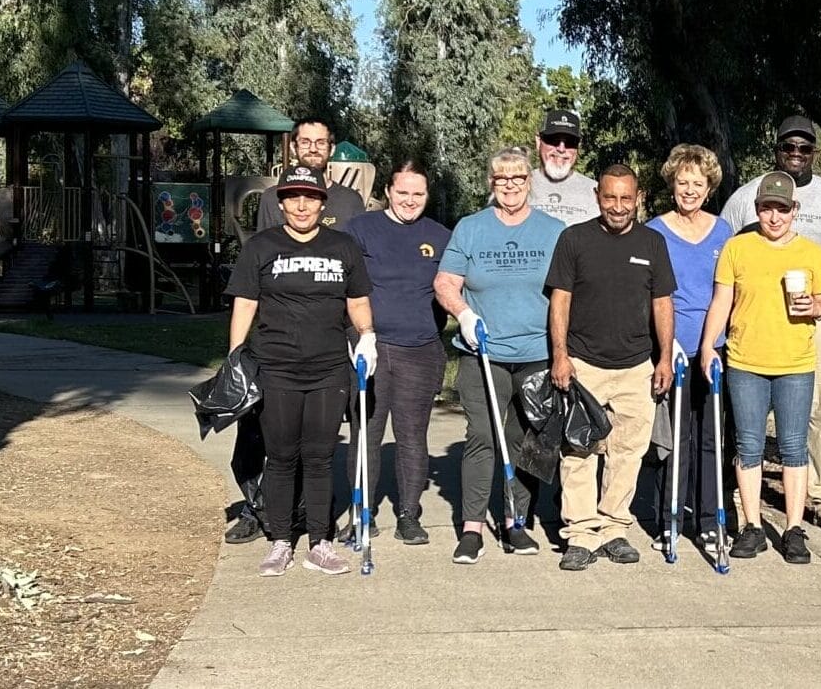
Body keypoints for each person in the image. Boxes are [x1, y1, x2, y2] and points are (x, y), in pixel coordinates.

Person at [225, 166, 376, 576]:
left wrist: (367, 336)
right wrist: (235, 356)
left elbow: (358, 300)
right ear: (282, 202)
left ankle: (320, 542)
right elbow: (245, 304)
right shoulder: (261, 247)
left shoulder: (342, 246)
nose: (302, 204)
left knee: (319, 456)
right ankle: (279, 542)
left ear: (322, 201)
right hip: (277, 368)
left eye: (310, 197)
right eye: (293, 197)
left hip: (329, 369)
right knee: (281, 456)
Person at [719, 115, 821, 533]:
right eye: (788, 148)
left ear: (815, 152)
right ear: (776, 149)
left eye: (805, 148)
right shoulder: (748, 196)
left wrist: (816, 274)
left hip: (813, 316)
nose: (796, 155)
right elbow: (723, 246)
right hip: (756, 317)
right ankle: (743, 497)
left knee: (818, 407)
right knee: (748, 414)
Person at [434, 147, 566, 563]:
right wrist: (464, 313)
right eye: (501, 179)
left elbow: (565, 293)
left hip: (536, 354)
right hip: (483, 352)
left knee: (524, 440)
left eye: (518, 179)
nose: (509, 186)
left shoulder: (553, 230)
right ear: (490, 183)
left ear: (530, 182)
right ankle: (472, 528)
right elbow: (445, 282)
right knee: (482, 437)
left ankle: (516, 524)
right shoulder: (471, 228)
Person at [546, 164, 677, 571]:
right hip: (584, 363)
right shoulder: (574, 240)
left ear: (637, 198)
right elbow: (560, 301)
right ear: (597, 197)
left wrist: (665, 358)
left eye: (625, 198)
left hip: (637, 366)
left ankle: (614, 527)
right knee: (579, 450)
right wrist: (560, 355)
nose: (617, 206)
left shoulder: (653, 242)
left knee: (628, 452)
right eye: (609, 197)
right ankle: (581, 534)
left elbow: (662, 303)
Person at [701, 172, 821, 564]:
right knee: (748, 445)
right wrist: (709, 345)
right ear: (756, 209)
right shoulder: (737, 249)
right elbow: (722, 301)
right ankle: (752, 525)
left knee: (793, 447)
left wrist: (817, 307)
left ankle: (793, 528)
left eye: (781, 209)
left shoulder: (811, 253)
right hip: (745, 361)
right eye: (765, 208)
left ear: (795, 210)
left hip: (795, 363)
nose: (773, 217)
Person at [341, 160, 451, 546]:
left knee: (411, 436)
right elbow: (347, 287)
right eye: (402, 192)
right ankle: (362, 514)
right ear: (388, 191)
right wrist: (360, 335)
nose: (409, 200)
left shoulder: (439, 235)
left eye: (417, 194)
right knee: (366, 434)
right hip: (370, 346)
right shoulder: (360, 229)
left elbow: (453, 286)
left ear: (427, 196)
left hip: (420, 349)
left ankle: (409, 514)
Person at [647, 145, 733, 554]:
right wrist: (665, 348)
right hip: (671, 349)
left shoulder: (723, 232)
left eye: (698, 183)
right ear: (672, 184)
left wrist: (714, 343)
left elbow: (729, 291)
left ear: (709, 187)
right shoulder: (655, 231)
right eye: (683, 182)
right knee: (674, 437)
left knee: (710, 437)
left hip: (713, 349)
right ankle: (670, 517)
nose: (690, 190)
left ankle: (709, 517)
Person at [255, 118, 366, 230]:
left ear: (332, 149)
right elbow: (264, 244)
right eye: (305, 142)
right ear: (293, 147)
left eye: (321, 143)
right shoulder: (272, 198)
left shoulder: (350, 200)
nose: (313, 149)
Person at [529, 109, 600, 225]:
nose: (561, 149)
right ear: (538, 141)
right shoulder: (516, 186)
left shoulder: (596, 191)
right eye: (553, 140)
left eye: (570, 142)